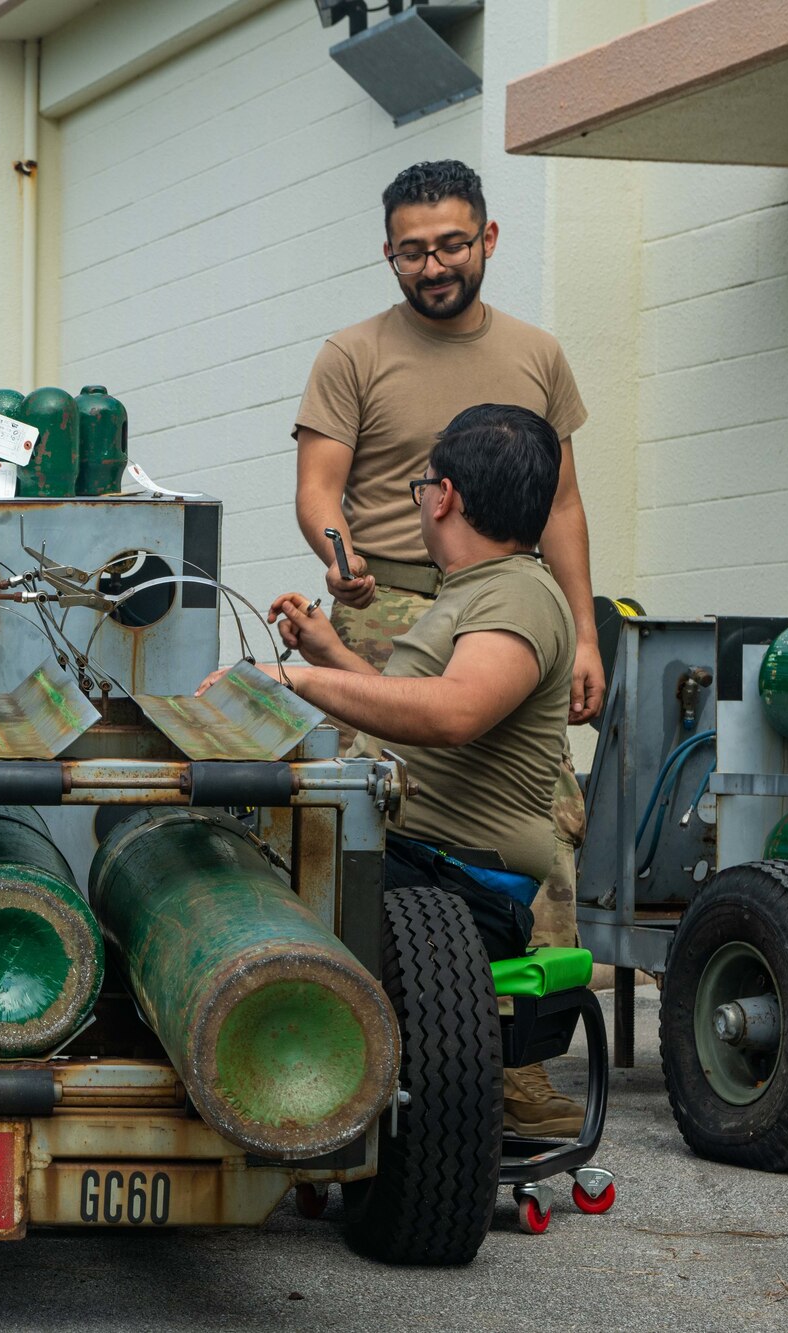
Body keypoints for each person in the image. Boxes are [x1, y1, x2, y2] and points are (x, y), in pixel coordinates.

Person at [224, 403, 583, 1137]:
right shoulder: (482, 589)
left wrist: (296, 681)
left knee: (222, 878)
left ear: (444, 495)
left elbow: (453, 713)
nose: (422, 497)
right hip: (422, 862)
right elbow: (420, 720)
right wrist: (329, 653)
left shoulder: (515, 593)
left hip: (450, 883)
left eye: (424, 485)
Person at [291, 158, 595, 996]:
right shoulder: (353, 353)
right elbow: (319, 488)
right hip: (382, 597)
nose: (434, 265)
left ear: (488, 238)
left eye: (452, 244)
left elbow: (563, 504)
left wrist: (586, 635)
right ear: (388, 253)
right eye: (411, 251)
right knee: (370, 811)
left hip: (508, 599)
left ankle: (521, 1060)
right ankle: (374, 1031)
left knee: (537, 815)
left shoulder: (538, 354)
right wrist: (339, 555)